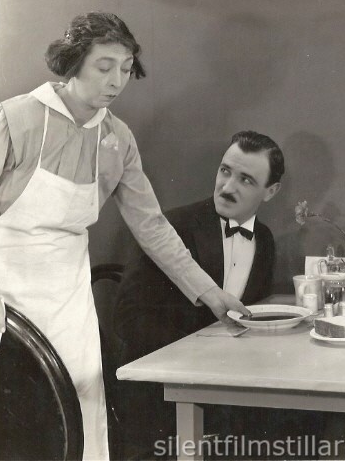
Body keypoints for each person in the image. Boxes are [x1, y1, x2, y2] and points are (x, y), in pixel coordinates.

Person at [0, 12, 250, 461]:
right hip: (2, 286)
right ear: (74, 63)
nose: (117, 80)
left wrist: (211, 293)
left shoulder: (116, 139)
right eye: (104, 66)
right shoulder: (17, 119)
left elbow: (150, 225)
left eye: (127, 68)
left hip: (66, 293)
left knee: (80, 398)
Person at [114, 131, 291, 457]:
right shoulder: (170, 229)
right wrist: (201, 360)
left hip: (228, 395)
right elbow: (128, 316)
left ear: (271, 191)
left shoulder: (263, 240)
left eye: (246, 180)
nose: (227, 187)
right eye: (225, 171)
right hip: (162, 400)